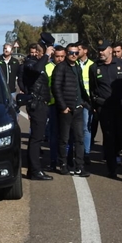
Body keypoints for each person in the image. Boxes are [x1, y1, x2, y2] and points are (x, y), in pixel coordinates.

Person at [89, 40, 122, 179]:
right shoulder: (94, 67)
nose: (100, 52)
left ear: (110, 50)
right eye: (99, 50)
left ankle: (117, 151)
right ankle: (112, 168)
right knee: (109, 136)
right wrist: (95, 105)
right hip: (104, 108)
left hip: (121, 106)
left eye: (103, 49)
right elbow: (93, 88)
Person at [19, 34, 56, 180]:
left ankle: (33, 169)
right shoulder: (30, 63)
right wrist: (46, 55)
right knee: (36, 139)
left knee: (37, 138)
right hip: (37, 104)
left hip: (42, 104)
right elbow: (35, 70)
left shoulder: (38, 63)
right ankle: (35, 170)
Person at [52, 42, 91, 177]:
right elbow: (56, 88)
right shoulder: (61, 68)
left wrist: (85, 103)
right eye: (71, 53)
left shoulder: (78, 67)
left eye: (76, 53)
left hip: (78, 108)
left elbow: (80, 87)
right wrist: (63, 107)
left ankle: (79, 166)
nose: (74, 55)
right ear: (67, 54)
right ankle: (63, 164)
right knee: (64, 138)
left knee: (79, 139)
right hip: (66, 110)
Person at [44, 45, 66, 170]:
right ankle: (53, 160)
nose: (60, 59)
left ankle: (65, 160)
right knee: (54, 134)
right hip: (52, 105)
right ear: (53, 56)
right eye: (57, 56)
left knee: (67, 135)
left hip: (67, 106)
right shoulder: (47, 68)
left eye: (62, 56)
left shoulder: (69, 67)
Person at [77, 41, 94, 162]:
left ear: (85, 50)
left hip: (88, 101)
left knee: (86, 128)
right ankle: (76, 151)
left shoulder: (92, 65)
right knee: (75, 128)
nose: (77, 52)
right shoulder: (74, 64)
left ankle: (86, 153)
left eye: (79, 49)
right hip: (76, 100)